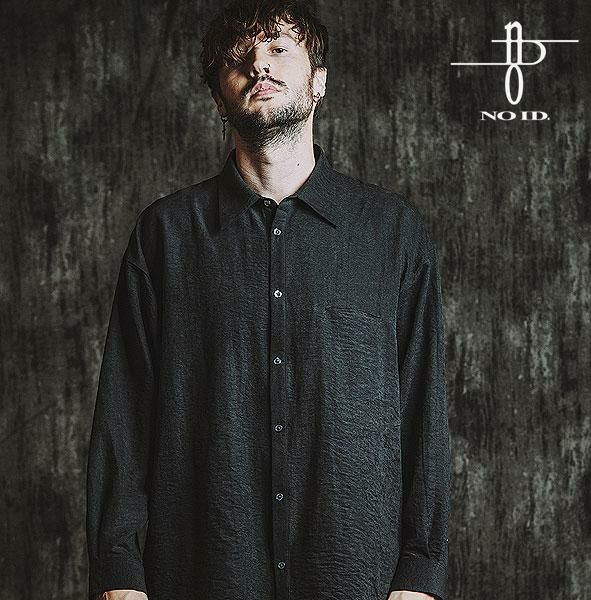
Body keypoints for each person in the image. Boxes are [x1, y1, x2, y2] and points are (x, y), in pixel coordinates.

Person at [85, 1, 451, 599]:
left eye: (280, 48)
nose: (260, 63)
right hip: (202, 576)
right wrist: (119, 574)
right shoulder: (165, 236)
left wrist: (421, 574)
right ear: (218, 98)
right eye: (239, 57)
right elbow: (124, 417)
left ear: (319, 81)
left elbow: (423, 412)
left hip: (355, 579)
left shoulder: (392, 233)